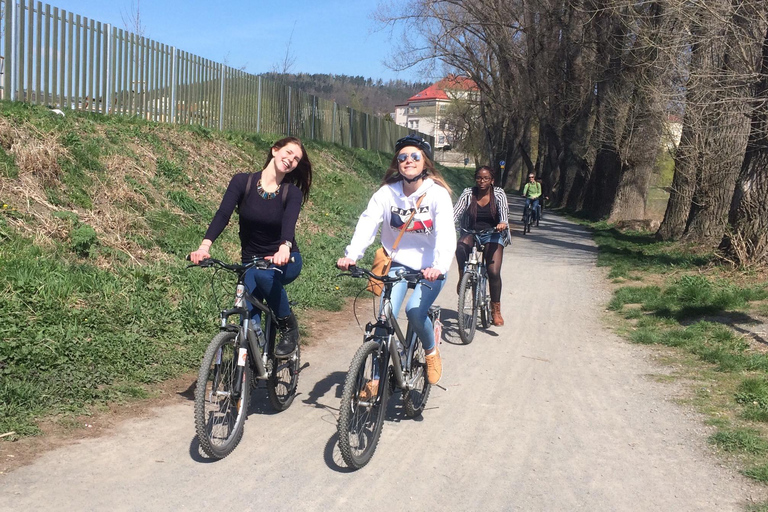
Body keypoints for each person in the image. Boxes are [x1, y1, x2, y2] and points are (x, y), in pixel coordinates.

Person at [337, 135, 456, 391]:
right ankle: (376, 380)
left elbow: (446, 233)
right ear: (397, 163)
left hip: (430, 268)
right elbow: (368, 221)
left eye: (415, 156)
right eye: (403, 157)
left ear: (425, 163)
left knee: (414, 310)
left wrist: (438, 265)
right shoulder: (387, 193)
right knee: (384, 317)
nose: (408, 161)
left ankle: (430, 351)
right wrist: (352, 255)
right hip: (398, 265)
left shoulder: (437, 195)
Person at [189, 136, 313, 358]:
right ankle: (251, 369)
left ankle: (288, 327)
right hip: (251, 262)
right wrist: (204, 246)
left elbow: (289, 224)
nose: (291, 160)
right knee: (249, 321)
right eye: (288, 153)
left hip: (284, 260)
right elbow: (223, 214)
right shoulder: (242, 182)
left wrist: (284, 247)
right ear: (275, 150)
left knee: (266, 277)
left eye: (296, 159)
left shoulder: (290, 193)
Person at [453, 166, 510, 326]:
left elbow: (504, 212)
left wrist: (502, 223)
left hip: (493, 233)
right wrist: (447, 223)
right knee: (461, 246)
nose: (482, 181)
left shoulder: (498, 193)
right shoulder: (468, 193)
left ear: (492, 180)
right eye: (479, 178)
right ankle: (462, 275)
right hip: (471, 231)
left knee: (493, 272)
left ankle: (496, 310)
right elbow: (456, 212)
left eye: (486, 178)